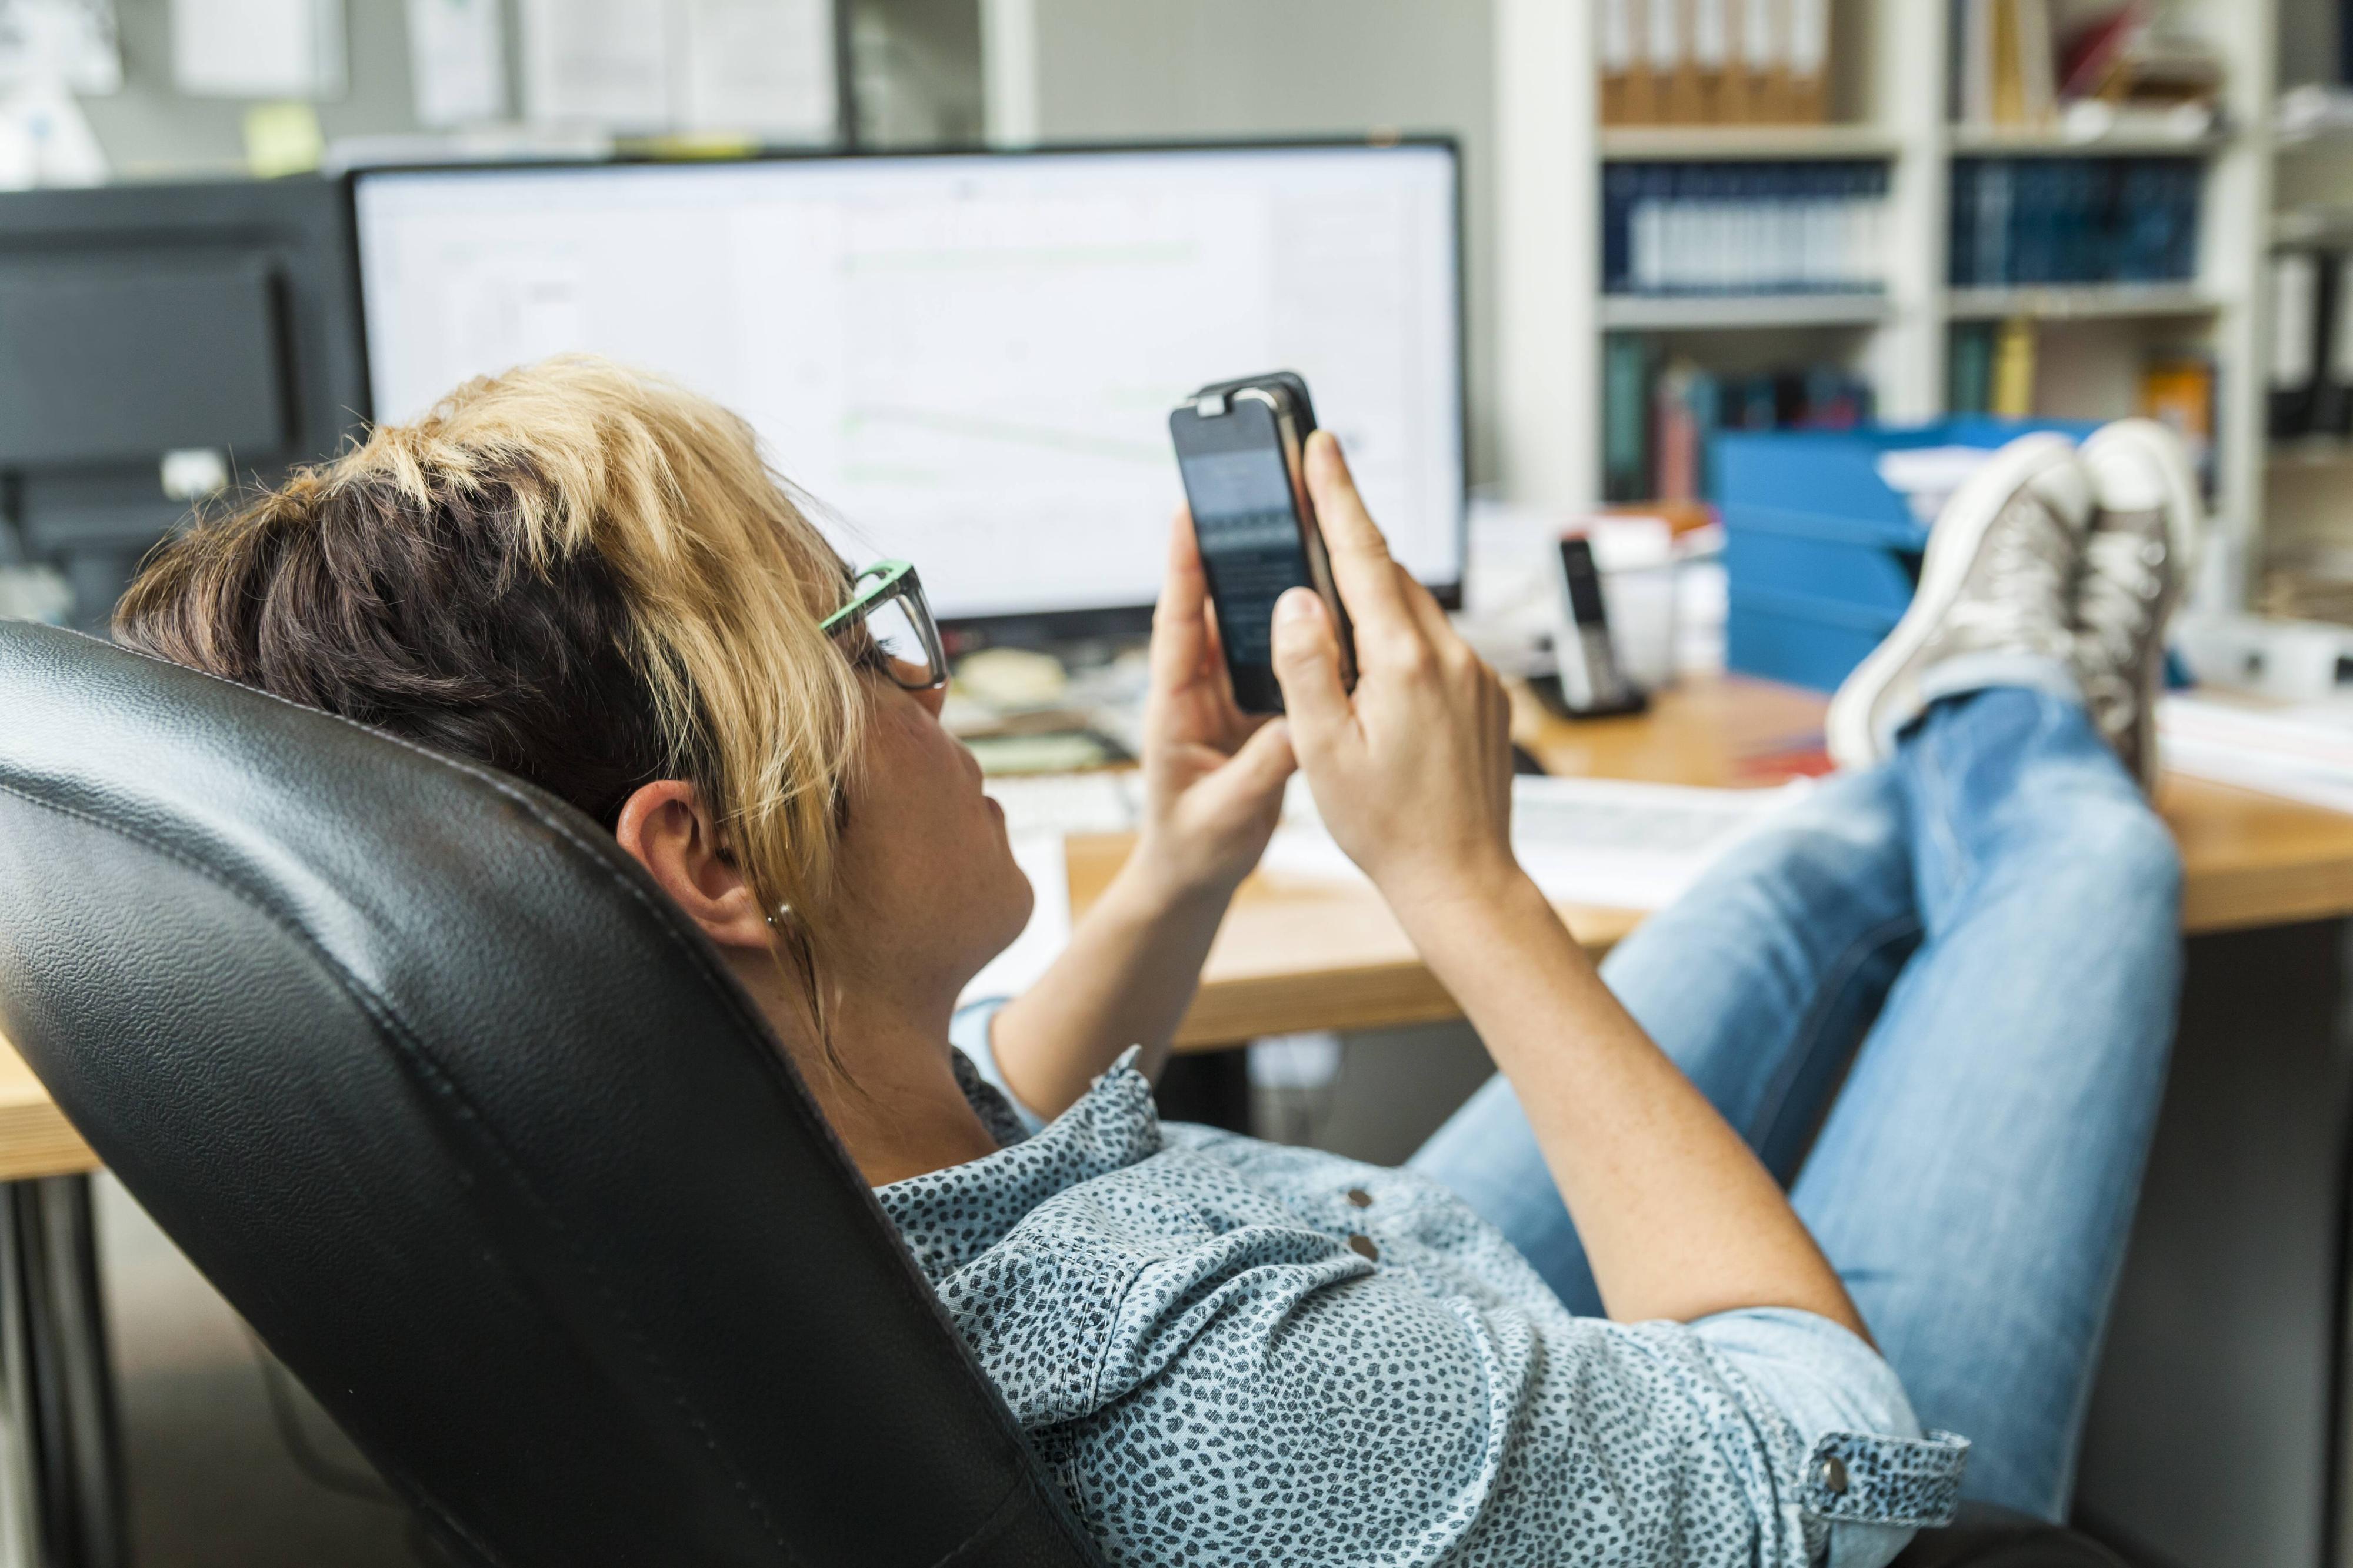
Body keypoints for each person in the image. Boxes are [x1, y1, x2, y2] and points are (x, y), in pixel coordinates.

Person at [112, 356, 2194, 1567]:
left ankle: (1944, 735)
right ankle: (2011, 705)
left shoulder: (645, 1181)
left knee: (1799, 873)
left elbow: (962, 1120)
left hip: (1386, 1306)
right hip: (1794, 1483)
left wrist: (1188, 861)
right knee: (2086, 866)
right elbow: (1819, 1431)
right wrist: (1464, 885)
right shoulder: (1243, 1394)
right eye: (883, 644)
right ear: (718, 856)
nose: (940, 688)